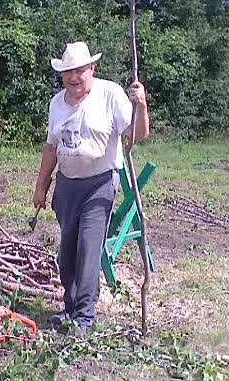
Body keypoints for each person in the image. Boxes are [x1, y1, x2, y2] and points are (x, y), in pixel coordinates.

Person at [32, 41, 150, 336]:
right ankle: (70, 309)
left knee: (88, 247)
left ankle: (84, 318)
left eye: (80, 71)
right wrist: (41, 187)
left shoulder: (110, 95)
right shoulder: (57, 103)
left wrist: (142, 105)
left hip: (99, 183)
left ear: (92, 69)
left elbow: (138, 134)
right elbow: (51, 148)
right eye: (68, 72)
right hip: (67, 185)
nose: (74, 78)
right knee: (67, 253)